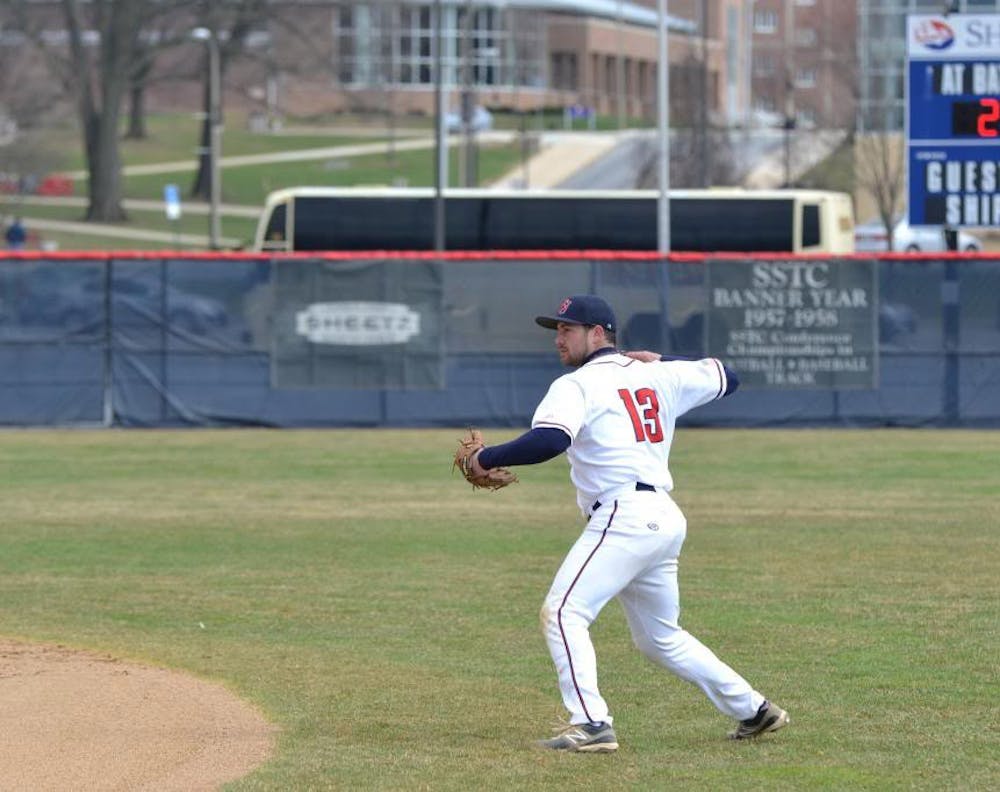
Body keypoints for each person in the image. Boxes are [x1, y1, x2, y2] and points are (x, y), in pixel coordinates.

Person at [465, 294, 789, 752]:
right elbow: (728, 377)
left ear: (599, 334)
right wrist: (665, 359)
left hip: (624, 517)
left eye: (568, 329)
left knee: (562, 612)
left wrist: (487, 457)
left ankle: (592, 724)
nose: (559, 338)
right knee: (660, 638)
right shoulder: (658, 372)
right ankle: (754, 711)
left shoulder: (576, 385)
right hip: (661, 518)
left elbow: (550, 440)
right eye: (556, 329)